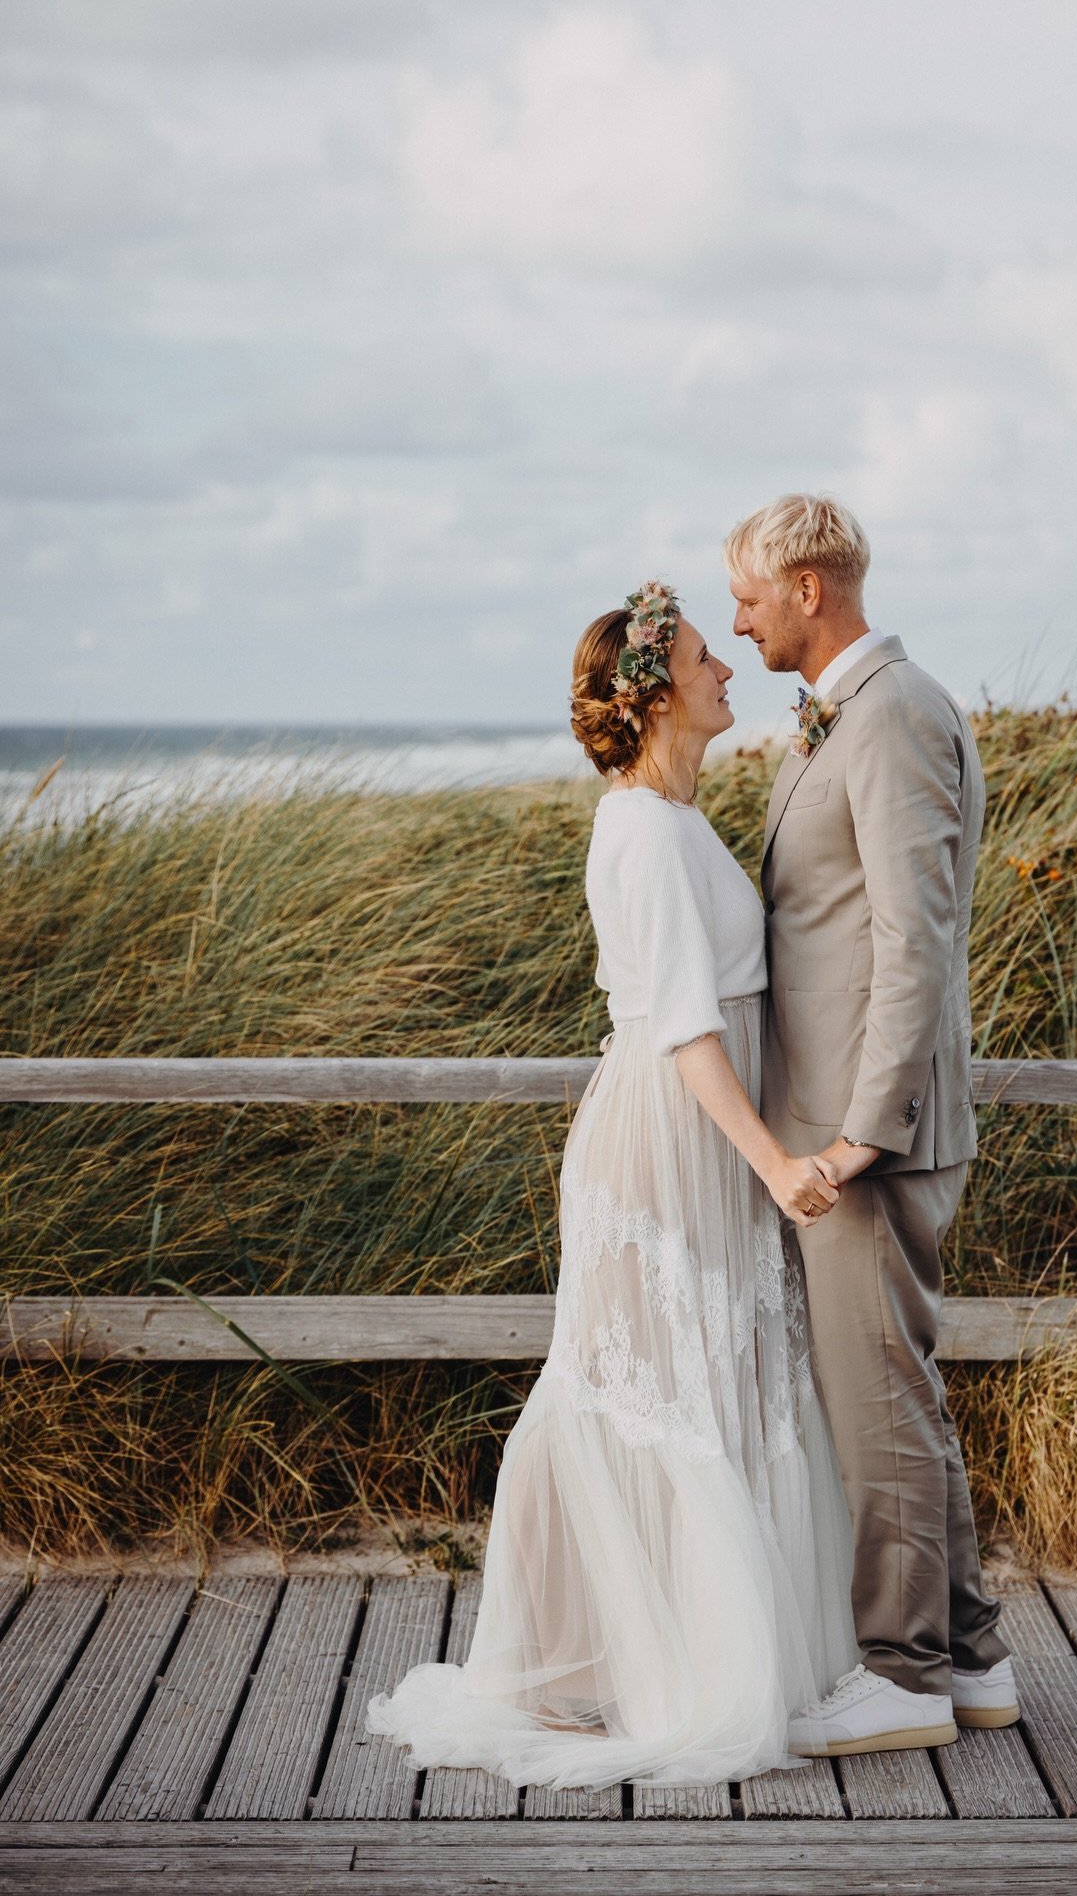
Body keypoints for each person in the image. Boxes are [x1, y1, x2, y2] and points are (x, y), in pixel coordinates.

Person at [365, 582, 863, 1789]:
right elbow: (686, 1025)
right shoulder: (640, 831)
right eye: (701, 659)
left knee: (712, 1383)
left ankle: (689, 1657)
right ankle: (601, 1670)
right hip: (668, 1142)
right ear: (652, 698)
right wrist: (776, 1163)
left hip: (705, 1136)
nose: (727, 667)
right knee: (645, 1390)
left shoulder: (677, 820)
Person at [726, 494, 1021, 1758]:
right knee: (901, 1393)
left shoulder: (894, 712)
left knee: (877, 1405)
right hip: (849, 1119)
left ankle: (901, 1674)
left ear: (807, 588)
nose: (737, 621)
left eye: (747, 597)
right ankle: (972, 1659)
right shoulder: (854, 711)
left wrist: (862, 1134)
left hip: (867, 1131)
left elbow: (917, 940)